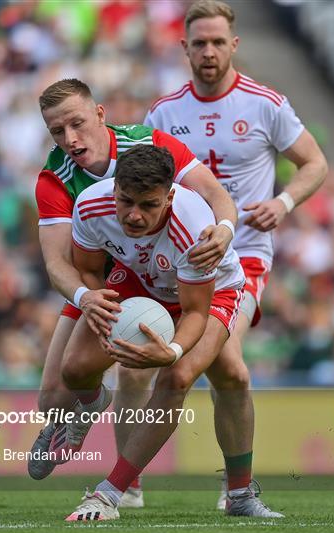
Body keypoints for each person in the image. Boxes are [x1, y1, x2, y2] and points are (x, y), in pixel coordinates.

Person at [113, 0, 328, 513]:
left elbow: (314, 162)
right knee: (136, 364)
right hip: (171, 257)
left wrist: (283, 200)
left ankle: (232, 492)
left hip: (244, 256)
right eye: (198, 43)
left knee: (224, 364)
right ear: (183, 47)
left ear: (234, 45)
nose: (208, 51)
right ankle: (138, 482)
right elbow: (140, 183)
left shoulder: (264, 104)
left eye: (217, 42)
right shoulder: (164, 113)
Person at [28, 78, 238, 480]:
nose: (70, 139)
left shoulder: (151, 146)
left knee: (223, 371)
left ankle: (232, 487)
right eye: (57, 131)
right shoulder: (55, 179)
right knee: (52, 398)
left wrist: (225, 229)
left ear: (100, 114)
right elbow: (58, 263)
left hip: (177, 273)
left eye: (77, 124)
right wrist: (86, 297)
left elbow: (216, 194)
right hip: (103, 281)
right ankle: (89, 404)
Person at [61, 143, 249, 521]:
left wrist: (175, 351)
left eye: (148, 205)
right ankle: (95, 400)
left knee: (179, 377)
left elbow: (195, 311)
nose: (133, 216)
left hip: (211, 292)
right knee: (75, 368)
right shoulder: (89, 205)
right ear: (114, 189)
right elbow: (89, 270)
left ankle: (108, 494)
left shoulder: (193, 227)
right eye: (126, 201)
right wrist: (98, 303)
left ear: (170, 196)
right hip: (139, 282)